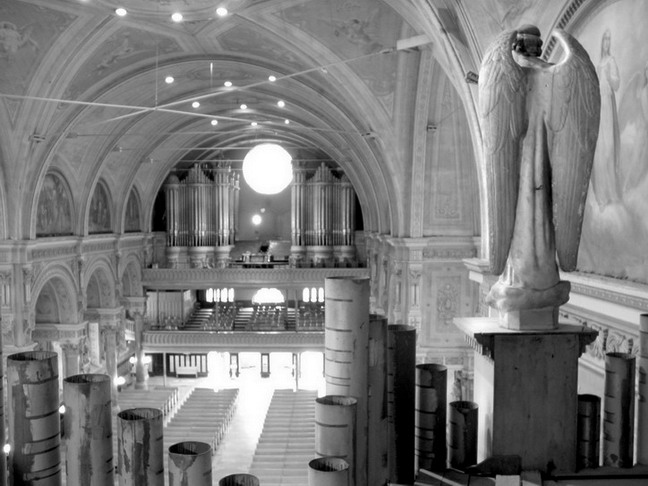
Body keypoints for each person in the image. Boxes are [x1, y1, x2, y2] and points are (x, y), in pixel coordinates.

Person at [479, 26, 600, 328]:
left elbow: (499, 150)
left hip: (519, 172)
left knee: (519, 212)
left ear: (517, 47)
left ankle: (518, 279)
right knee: (542, 217)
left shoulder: (507, 75)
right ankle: (543, 278)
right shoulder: (557, 75)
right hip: (543, 172)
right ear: (539, 47)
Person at [590, 29, 621, 207]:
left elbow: (616, 85)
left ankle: (612, 192)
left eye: (609, 39)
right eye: (605, 39)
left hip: (607, 105)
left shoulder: (611, 61)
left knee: (608, 148)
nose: (607, 43)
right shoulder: (598, 63)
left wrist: (609, 76)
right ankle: (602, 196)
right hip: (599, 106)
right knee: (599, 151)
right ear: (602, 42)